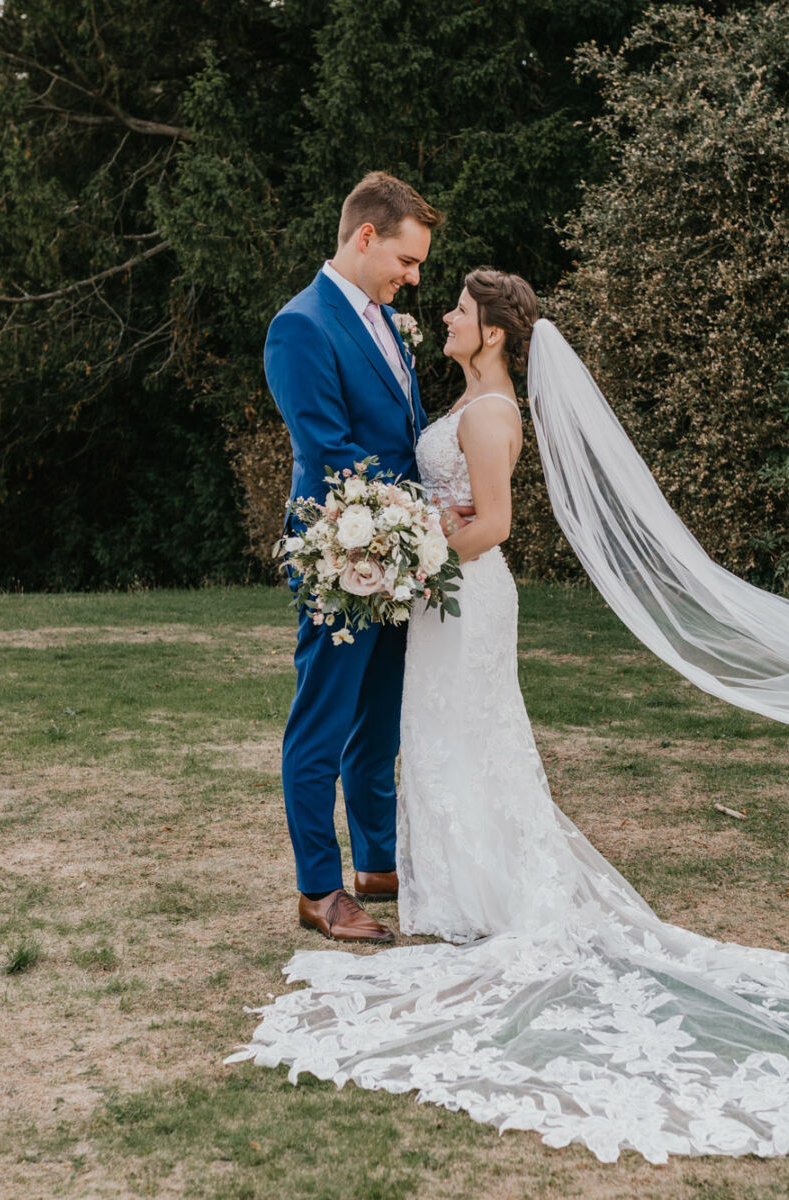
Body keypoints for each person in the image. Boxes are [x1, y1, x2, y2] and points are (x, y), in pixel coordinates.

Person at [231, 269, 789, 1163]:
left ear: (493, 334)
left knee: (471, 736)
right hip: (440, 593)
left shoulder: (493, 414)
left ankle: (491, 890)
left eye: (459, 309)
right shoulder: (468, 400)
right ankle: (452, 880)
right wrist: (415, 529)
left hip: (460, 592)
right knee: (444, 738)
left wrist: (413, 554)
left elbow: (491, 525)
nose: (444, 316)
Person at [264, 171, 442, 945]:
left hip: (397, 553)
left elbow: (407, 431)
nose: (413, 278)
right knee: (324, 725)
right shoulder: (300, 325)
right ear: (365, 237)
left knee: (380, 720)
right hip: (343, 554)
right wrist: (417, 520)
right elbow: (332, 454)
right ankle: (318, 889)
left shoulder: (386, 323)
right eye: (406, 260)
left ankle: (376, 863)